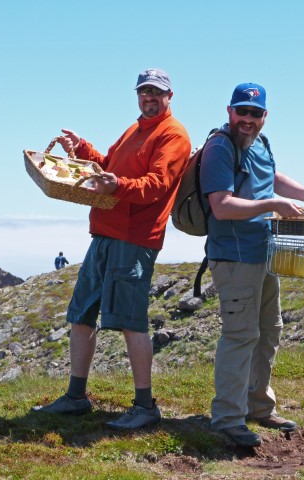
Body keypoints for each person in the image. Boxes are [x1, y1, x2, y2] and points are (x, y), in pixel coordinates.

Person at [31, 68, 191, 430]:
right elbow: (108, 169)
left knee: (130, 323)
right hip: (104, 233)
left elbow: (156, 185)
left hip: (134, 239)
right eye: (143, 91)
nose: (149, 97)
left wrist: (116, 183)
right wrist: (83, 150)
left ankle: (145, 405)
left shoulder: (174, 135)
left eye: (156, 92)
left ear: (170, 96)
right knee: (82, 314)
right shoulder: (135, 129)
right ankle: (75, 397)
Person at [199, 83, 304, 447]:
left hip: (264, 252)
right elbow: (221, 206)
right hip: (234, 257)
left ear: (264, 117)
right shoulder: (219, 147)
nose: (247, 119)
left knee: (269, 330)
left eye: (255, 113)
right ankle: (228, 419)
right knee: (240, 336)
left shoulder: (260, 143)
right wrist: (274, 206)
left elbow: (270, 177)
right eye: (241, 112)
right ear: (230, 112)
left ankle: (258, 407)